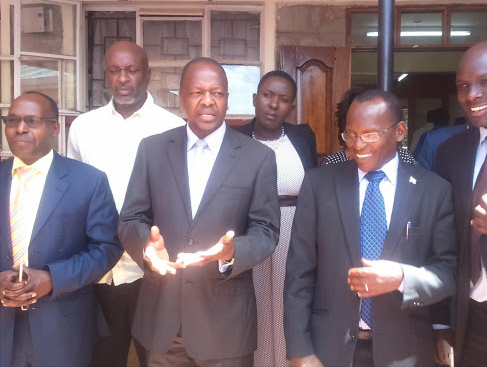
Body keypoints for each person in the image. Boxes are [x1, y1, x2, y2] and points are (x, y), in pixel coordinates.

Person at [118, 57, 280, 366]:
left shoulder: (257, 158)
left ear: (227, 100)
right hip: (164, 322)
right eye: (197, 92)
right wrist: (147, 249)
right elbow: (130, 219)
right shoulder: (152, 150)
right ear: (182, 99)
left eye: (217, 93)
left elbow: (266, 230)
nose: (208, 101)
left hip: (226, 325)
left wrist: (232, 252)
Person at [284, 89, 457, 367]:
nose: (358, 144)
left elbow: (448, 273)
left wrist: (402, 278)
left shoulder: (433, 191)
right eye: (350, 134)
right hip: (331, 348)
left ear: (400, 131)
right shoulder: (319, 185)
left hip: (405, 351)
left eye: (369, 134)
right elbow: (298, 275)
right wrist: (300, 350)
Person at [67, 40, 184, 367]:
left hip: (152, 272)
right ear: (106, 75)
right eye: (115, 71)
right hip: (98, 270)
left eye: (131, 70)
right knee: (103, 357)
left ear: (146, 74)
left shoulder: (172, 128)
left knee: (157, 357)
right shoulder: (83, 128)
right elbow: (73, 194)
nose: (123, 78)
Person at [0, 92, 123, 367]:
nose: (20, 128)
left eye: (31, 121)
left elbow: (108, 248)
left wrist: (52, 278)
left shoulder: (88, 180)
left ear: (55, 128)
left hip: (62, 329)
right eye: (12, 120)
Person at [435, 40, 487, 367]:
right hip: (471, 322)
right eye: (463, 86)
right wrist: (440, 321)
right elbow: (442, 241)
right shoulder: (450, 152)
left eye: (486, 81)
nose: (471, 95)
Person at [236, 70, 317, 367]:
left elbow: (313, 188)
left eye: (283, 99)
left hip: (294, 231)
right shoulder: (237, 138)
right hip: (252, 232)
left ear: (292, 106)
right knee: (253, 303)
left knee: (289, 301)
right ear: (255, 98)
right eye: (268, 96)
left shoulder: (303, 136)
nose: (273, 104)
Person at [321, 85, 417, 166]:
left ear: (399, 131)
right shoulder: (332, 164)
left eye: (369, 135)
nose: (358, 146)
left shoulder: (404, 158)